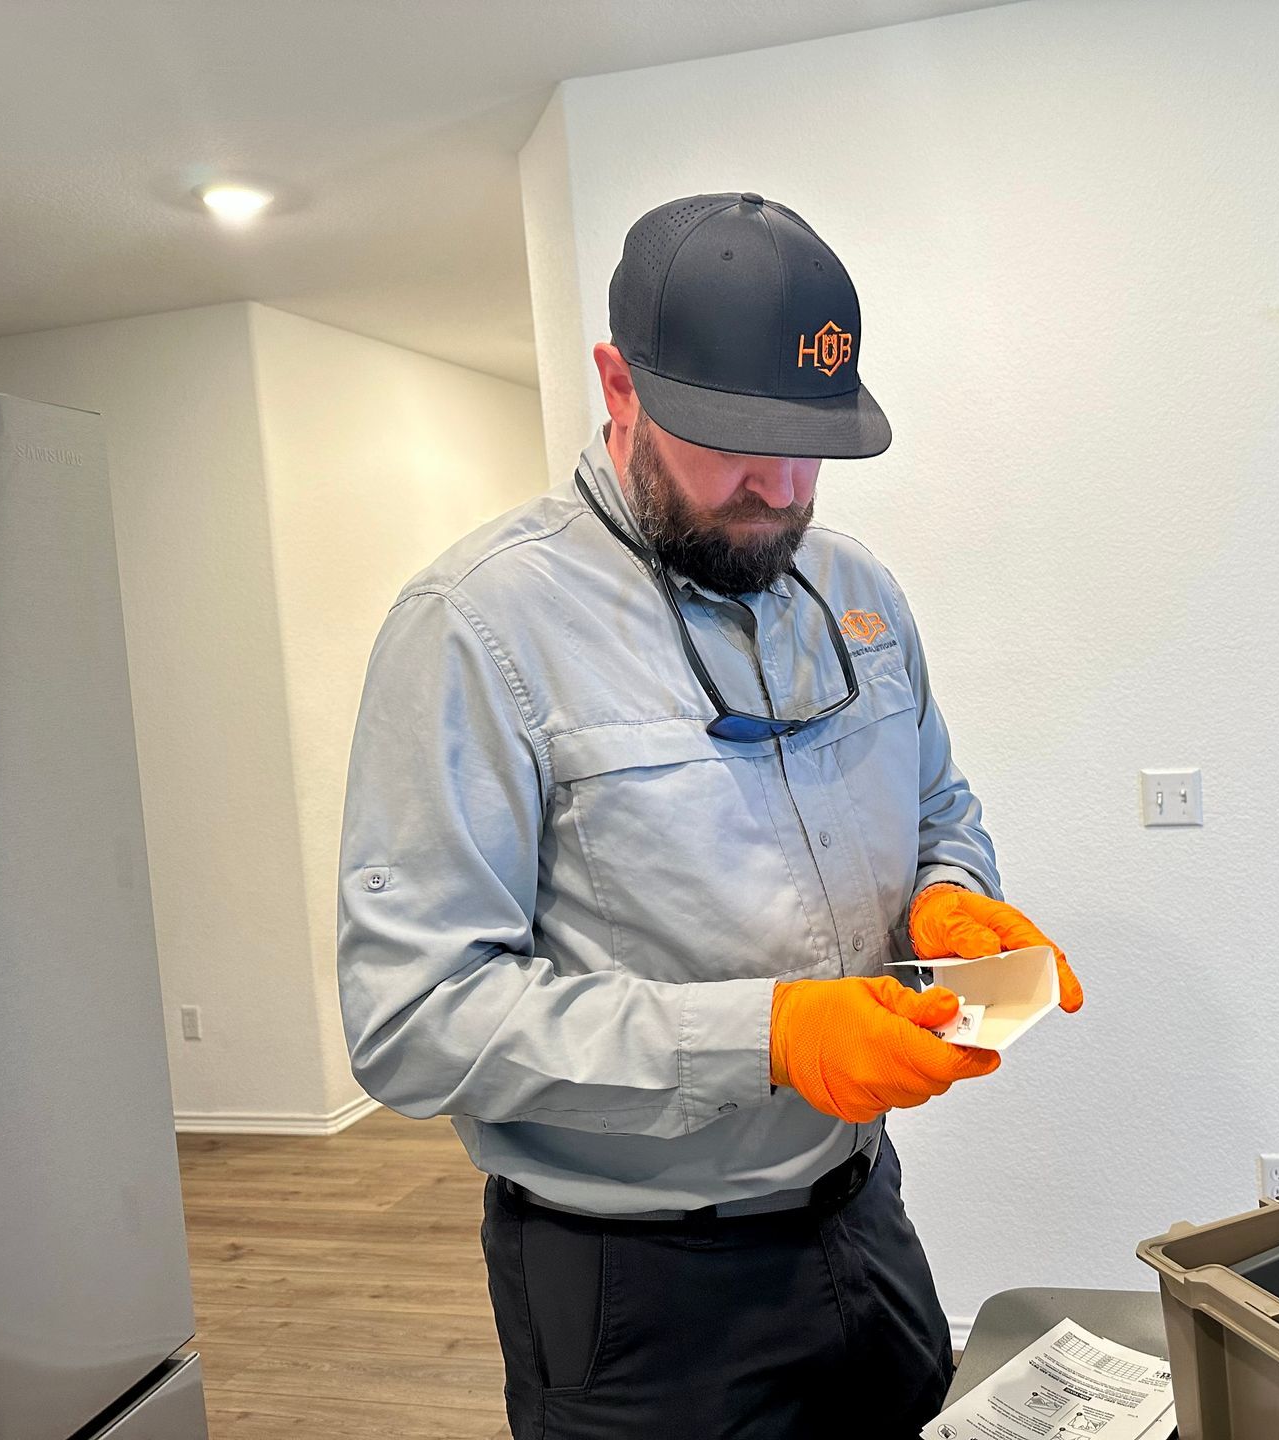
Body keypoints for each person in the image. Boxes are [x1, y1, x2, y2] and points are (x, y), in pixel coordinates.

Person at [335, 191, 1083, 1438]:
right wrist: (772, 1039)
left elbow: (941, 801)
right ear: (618, 385)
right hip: (637, 1296)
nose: (779, 488)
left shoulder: (857, 591)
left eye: (812, 444)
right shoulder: (476, 626)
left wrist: (948, 893)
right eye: (733, 436)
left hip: (864, 1226)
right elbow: (412, 1020)